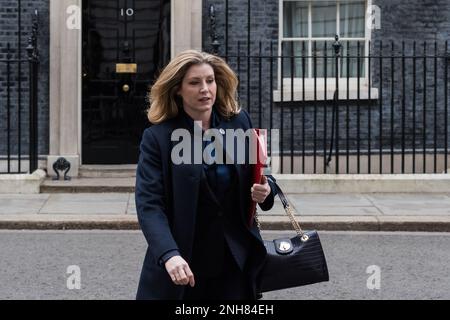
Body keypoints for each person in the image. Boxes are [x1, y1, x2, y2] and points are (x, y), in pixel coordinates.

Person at [135, 49, 276, 300]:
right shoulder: (159, 137)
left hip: (234, 259)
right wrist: (169, 254)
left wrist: (267, 191)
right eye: (194, 82)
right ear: (177, 89)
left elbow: (258, 174)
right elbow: (150, 204)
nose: (205, 89)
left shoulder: (238, 122)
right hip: (186, 262)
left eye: (209, 81)